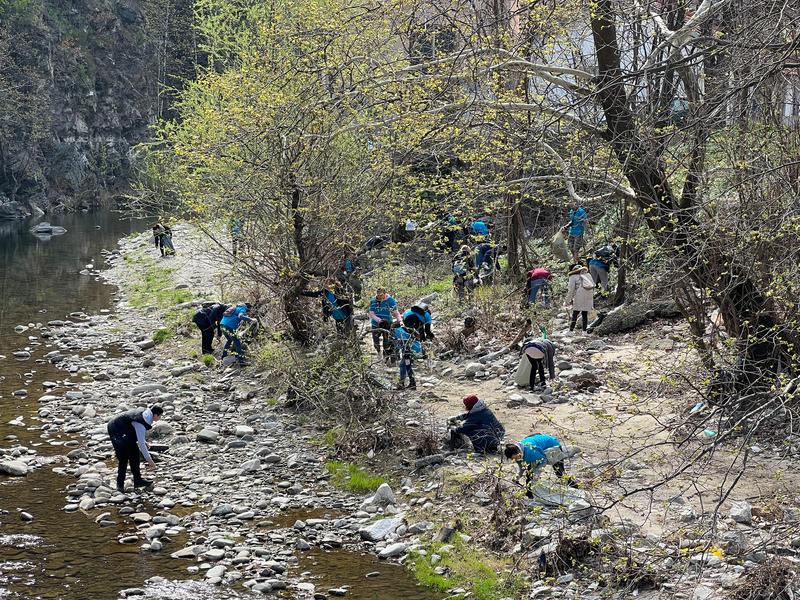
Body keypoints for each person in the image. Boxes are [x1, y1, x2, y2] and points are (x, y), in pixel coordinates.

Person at [106, 405, 164, 493]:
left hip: (125, 429)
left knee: (134, 454)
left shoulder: (146, 414)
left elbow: (138, 433)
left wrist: (144, 440)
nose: (159, 418)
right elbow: (140, 443)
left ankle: (138, 480)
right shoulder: (142, 421)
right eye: (160, 416)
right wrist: (149, 460)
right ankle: (120, 485)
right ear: (155, 415)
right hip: (115, 429)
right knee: (123, 458)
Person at [504, 433, 577, 494]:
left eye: (516, 457)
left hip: (552, 445)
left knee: (559, 473)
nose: (516, 460)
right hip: (540, 449)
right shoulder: (517, 456)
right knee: (529, 474)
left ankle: (575, 486)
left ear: (518, 452)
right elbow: (522, 467)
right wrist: (517, 477)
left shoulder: (531, 451)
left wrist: (536, 473)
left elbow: (543, 460)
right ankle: (530, 493)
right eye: (514, 459)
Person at [368, 288, 401, 358]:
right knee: (375, 341)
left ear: (385, 294)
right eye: (378, 295)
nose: (379, 296)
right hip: (375, 324)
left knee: (386, 340)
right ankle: (378, 351)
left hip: (387, 323)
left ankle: (385, 356)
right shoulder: (373, 301)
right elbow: (371, 313)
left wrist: (399, 320)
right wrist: (378, 320)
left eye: (381, 295)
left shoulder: (390, 300)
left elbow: (395, 312)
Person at [389, 320, 421, 390]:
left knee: (405, 366)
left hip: (408, 352)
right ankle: (410, 383)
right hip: (412, 351)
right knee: (406, 366)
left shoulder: (398, 331)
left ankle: (405, 384)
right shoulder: (404, 329)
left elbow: (402, 343)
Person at [564, 263, 594, 334]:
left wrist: (567, 301)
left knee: (575, 313)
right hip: (588, 296)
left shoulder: (573, 277)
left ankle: (571, 331)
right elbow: (592, 285)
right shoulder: (588, 275)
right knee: (584, 314)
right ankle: (584, 332)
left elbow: (571, 290)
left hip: (579, 295)